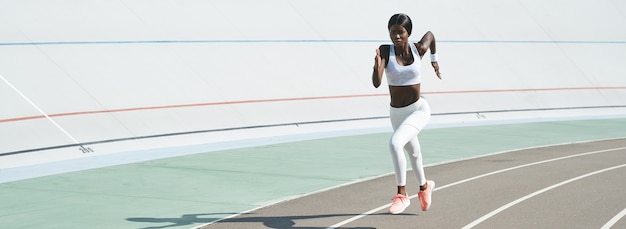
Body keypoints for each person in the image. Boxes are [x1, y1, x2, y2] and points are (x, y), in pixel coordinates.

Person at [371, 13, 442, 214]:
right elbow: (376, 83)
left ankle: (402, 195)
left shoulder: (418, 49)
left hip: (418, 109)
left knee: (395, 143)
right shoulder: (385, 51)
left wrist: (434, 60)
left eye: (400, 32)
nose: (397, 36)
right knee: (414, 153)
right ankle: (424, 187)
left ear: (408, 33)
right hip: (397, 113)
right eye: (392, 32)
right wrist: (377, 68)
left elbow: (431, 35)